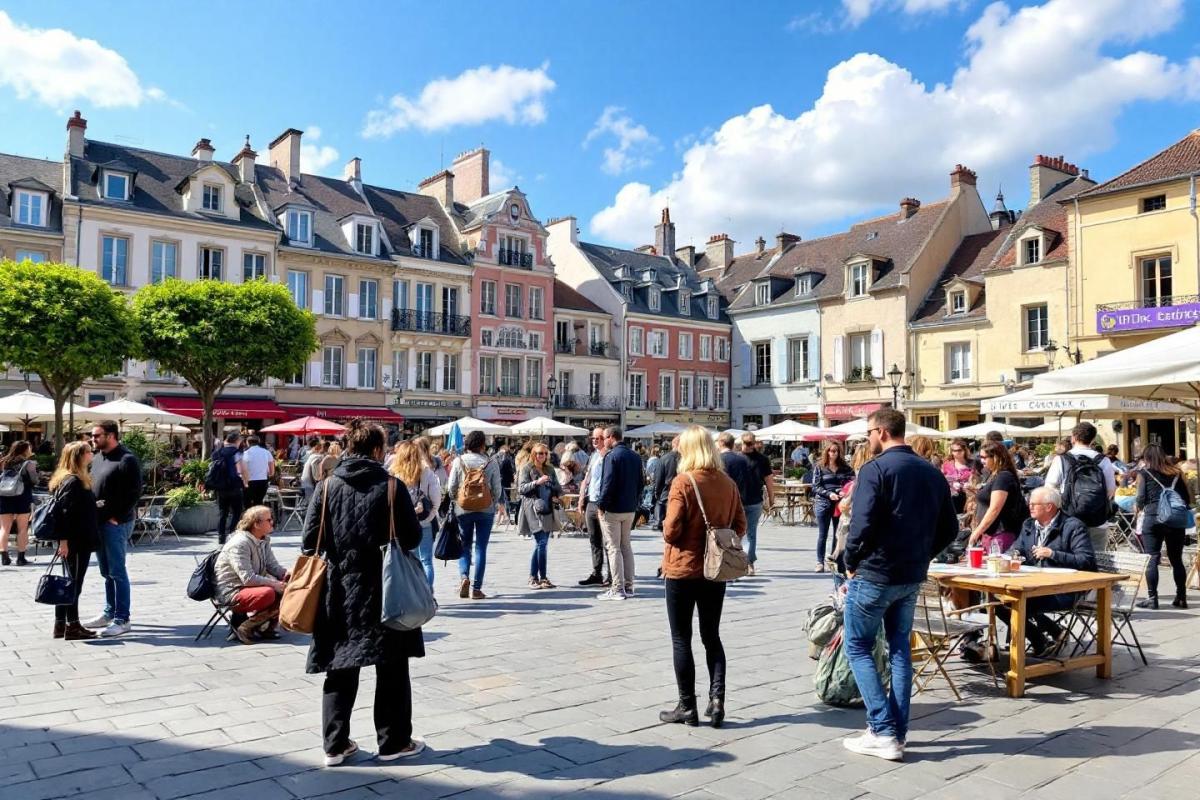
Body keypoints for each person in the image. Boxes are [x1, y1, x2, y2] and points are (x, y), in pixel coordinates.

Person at [303, 419, 425, 767]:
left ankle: (335, 745)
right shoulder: (391, 486)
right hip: (386, 588)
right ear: (376, 449)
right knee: (392, 666)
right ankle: (393, 742)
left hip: (339, 589)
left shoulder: (327, 487)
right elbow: (413, 538)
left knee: (340, 665)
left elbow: (310, 541)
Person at [841, 409, 957, 762]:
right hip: (910, 574)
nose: (867, 440)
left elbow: (861, 524)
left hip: (876, 573)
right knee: (900, 650)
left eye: (868, 434)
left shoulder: (875, 470)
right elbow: (950, 528)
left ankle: (882, 729)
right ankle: (898, 731)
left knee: (858, 646)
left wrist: (850, 561)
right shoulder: (931, 472)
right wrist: (924, 554)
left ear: (880, 432)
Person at [659, 425, 746, 728]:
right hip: (715, 570)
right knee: (712, 636)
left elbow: (671, 530)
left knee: (681, 638)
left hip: (682, 568)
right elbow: (740, 525)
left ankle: (687, 707)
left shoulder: (683, 481)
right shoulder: (727, 483)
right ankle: (717, 700)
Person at [994, 486, 1096, 657]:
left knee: (1012, 603)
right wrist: (1013, 555)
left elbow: (1086, 561)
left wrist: (1053, 554)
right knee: (997, 601)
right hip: (1034, 585)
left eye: (1034, 504)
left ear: (1049, 506)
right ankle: (1049, 634)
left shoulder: (1073, 527)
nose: (1030, 506)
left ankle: (1041, 639)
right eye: (1030, 503)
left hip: (1064, 589)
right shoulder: (1029, 525)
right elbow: (1016, 548)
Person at [82, 420, 142, 638]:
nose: (93, 439)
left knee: (117, 571)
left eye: (97, 435)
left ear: (111, 435)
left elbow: (135, 492)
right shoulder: (98, 459)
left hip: (116, 523)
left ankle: (122, 618)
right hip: (99, 522)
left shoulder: (127, 459)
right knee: (106, 572)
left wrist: (118, 516)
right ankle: (109, 612)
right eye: (92, 436)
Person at [215, 505, 289, 644]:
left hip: (249, 587)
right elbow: (248, 578)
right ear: (256, 524)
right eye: (269, 520)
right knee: (270, 593)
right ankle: (246, 627)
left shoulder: (263, 540)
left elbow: (273, 566)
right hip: (232, 590)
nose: (273, 522)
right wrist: (274, 584)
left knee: (291, 587)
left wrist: (290, 575)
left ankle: (265, 628)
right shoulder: (240, 543)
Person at [49, 442, 99, 640]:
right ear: (80, 456)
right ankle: (73, 626)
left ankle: (60, 625)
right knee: (74, 584)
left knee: (68, 583)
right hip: (76, 541)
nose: (91, 453)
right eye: (88, 451)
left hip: (74, 539)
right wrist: (64, 541)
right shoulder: (74, 481)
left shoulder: (66, 479)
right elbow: (65, 514)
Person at [446, 430, 502, 600]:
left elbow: (451, 488)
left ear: (468, 444)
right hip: (486, 509)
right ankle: (477, 589)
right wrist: (490, 500)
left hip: (463, 509)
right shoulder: (491, 462)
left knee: (465, 545)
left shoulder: (458, 461)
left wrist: (459, 499)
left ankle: (464, 578)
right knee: (481, 548)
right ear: (483, 445)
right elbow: (497, 490)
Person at [1045, 422, 1116, 554]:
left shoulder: (1062, 460)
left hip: (1069, 517)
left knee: (1070, 558)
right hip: (1097, 519)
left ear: (1073, 438)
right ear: (1093, 439)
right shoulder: (1103, 460)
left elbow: (1049, 488)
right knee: (1097, 560)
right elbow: (1111, 490)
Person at [1135, 444, 1192, 609]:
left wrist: (1139, 509)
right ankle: (1181, 597)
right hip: (1175, 519)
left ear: (1147, 458)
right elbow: (1187, 499)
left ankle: (1153, 599)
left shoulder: (1144, 474)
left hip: (1153, 518)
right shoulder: (1177, 473)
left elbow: (1140, 499)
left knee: (1152, 558)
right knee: (1176, 559)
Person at [596, 427, 642, 600]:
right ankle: (629, 586)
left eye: (604, 437)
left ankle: (617, 588)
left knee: (613, 547)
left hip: (613, 508)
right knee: (626, 546)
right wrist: (634, 501)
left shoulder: (611, 456)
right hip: (629, 507)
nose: (603, 440)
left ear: (612, 437)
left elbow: (608, 483)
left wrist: (601, 504)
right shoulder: (635, 456)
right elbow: (640, 483)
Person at [389, 441, 441, 588]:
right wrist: (429, 518)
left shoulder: (394, 475)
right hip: (424, 522)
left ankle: (414, 594)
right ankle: (428, 594)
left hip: (403, 524)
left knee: (409, 560)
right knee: (426, 561)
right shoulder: (427, 472)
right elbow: (436, 500)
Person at [969, 441, 1027, 554]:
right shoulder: (994, 475)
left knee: (995, 567)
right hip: (991, 533)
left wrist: (977, 532)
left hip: (1000, 533)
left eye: (984, 457)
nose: (981, 461)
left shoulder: (1003, 477)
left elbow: (994, 509)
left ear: (995, 457)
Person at [519, 443, 562, 589]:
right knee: (541, 543)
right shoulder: (526, 468)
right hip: (532, 508)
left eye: (544, 453)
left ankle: (536, 578)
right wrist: (537, 482)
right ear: (533, 454)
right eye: (538, 453)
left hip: (548, 508)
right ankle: (539, 577)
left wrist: (552, 488)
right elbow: (521, 488)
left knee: (541, 544)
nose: (541, 456)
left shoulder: (549, 469)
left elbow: (558, 488)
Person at [811, 439, 854, 574]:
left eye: (836, 451)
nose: (833, 454)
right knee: (822, 534)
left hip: (840, 504)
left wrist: (843, 491)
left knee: (839, 533)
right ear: (827, 452)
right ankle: (819, 561)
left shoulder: (846, 467)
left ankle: (835, 559)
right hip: (824, 503)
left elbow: (851, 483)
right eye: (831, 451)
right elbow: (815, 486)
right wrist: (829, 494)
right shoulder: (820, 467)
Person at [576, 428, 612, 587]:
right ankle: (597, 572)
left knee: (607, 541)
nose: (595, 440)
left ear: (605, 439)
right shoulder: (594, 456)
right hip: (591, 501)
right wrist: (581, 498)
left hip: (603, 502)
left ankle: (612, 574)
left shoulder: (609, 456)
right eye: (593, 438)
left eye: (598, 438)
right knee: (594, 539)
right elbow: (587, 478)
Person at [738, 432, 774, 574]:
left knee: (749, 533)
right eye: (746, 444)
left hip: (752, 501)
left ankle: (749, 563)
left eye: (749, 444)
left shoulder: (760, 459)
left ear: (754, 444)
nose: (747, 446)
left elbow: (769, 480)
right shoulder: (759, 459)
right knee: (743, 533)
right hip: (740, 501)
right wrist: (771, 497)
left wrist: (771, 498)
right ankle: (745, 562)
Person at [0, 440, 39, 566]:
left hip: (4, 495)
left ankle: (4, 557)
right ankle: (21, 558)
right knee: (22, 529)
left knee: (4, 528)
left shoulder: (4, 461)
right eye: (29, 448)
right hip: (22, 495)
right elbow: (34, 480)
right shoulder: (29, 463)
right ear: (25, 450)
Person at [211, 432, 248, 546]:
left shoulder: (217, 452)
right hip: (234, 485)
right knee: (237, 511)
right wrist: (246, 483)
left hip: (220, 487)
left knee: (223, 512)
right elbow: (242, 469)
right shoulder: (237, 453)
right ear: (237, 441)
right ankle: (232, 533)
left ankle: (221, 536)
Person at [651, 436, 681, 531]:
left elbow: (658, 478)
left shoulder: (664, 459)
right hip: (680, 494)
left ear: (673, 444)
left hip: (665, 494)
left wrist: (657, 493)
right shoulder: (686, 459)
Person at [242, 435, 275, 508]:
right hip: (263, 480)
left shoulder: (246, 453)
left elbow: (243, 470)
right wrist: (270, 474)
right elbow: (272, 468)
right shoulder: (266, 452)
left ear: (247, 443)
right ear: (259, 442)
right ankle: (258, 518)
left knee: (247, 503)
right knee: (259, 502)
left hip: (249, 481)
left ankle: (250, 518)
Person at [942, 439, 973, 515]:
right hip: (952, 497)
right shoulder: (946, 465)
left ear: (964, 450)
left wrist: (970, 484)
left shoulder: (973, 464)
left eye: (959, 450)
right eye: (954, 450)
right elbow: (942, 480)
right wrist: (951, 484)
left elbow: (979, 479)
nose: (957, 452)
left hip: (969, 497)